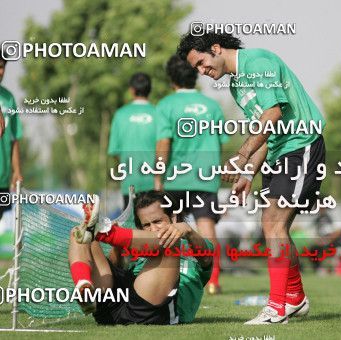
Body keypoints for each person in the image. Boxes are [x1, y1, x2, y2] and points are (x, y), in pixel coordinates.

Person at [178, 31, 326, 324]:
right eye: (197, 69)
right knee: (273, 226)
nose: (203, 72)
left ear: (216, 48)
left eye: (202, 63)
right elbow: (264, 132)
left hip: (300, 145)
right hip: (278, 152)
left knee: (273, 223)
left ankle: (276, 307)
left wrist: (242, 156)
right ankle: (293, 298)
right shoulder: (236, 86)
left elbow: (272, 114)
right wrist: (248, 172)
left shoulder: (258, 62)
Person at [70, 190, 213, 325]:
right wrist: (118, 249)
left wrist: (187, 230)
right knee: (80, 233)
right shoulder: (137, 246)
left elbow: (206, 259)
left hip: (152, 310)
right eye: (146, 225)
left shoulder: (196, 246)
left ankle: (104, 232)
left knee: (168, 239)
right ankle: (83, 285)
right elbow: (111, 270)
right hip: (112, 305)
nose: (152, 229)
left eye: (157, 221)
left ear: (174, 217)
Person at [154, 54, 229, 294]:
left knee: (172, 225)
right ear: (195, 76)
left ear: (171, 80)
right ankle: (213, 281)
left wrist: (158, 177)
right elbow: (220, 143)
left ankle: (172, 277)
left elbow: (164, 144)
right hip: (206, 177)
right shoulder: (211, 106)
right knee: (206, 226)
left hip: (176, 177)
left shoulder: (166, 105)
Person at [108, 73, 157, 208]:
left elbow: (115, 151)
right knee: (154, 226)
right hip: (154, 182)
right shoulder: (158, 113)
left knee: (131, 227)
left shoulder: (120, 115)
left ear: (132, 90)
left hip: (130, 182)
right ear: (150, 89)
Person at [0, 54, 22, 220]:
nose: (0, 71)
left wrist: (17, 170)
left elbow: (14, 137)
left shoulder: (9, 98)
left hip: (3, 179)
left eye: (2, 67)